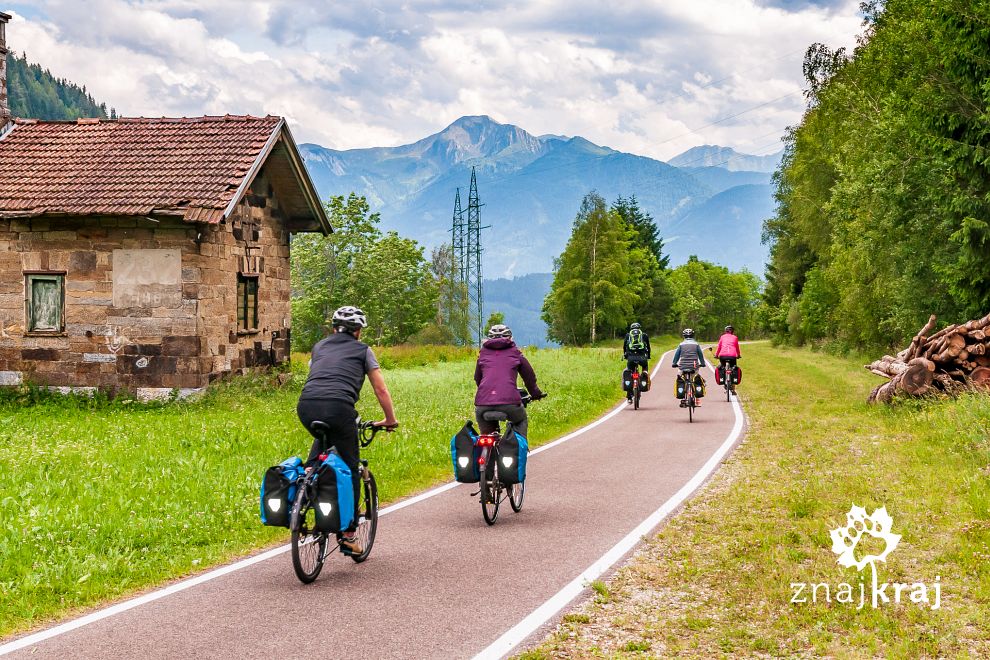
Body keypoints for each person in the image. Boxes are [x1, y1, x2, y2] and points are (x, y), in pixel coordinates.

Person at [296, 305, 398, 556]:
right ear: (358, 331)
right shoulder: (363, 351)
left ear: (333, 328)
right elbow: (381, 389)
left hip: (306, 406)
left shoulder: (319, 347)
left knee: (317, 455)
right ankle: (349, 534)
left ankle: (302, 494)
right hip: (339, 409)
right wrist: (389, 419)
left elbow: (318, 375)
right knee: (352, 467)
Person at [474, 324, 545, 438]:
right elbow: (529, 377)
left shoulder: (482, 354)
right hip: (510, 403)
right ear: (510, 338)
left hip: (483, 404)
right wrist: (535, 394)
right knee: (520, 420)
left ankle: (485, 452)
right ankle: (518, 449)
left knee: (487, 436)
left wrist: (487, 393)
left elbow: (478, 379)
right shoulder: (515, 353)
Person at [671, 328, 706, 407]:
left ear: (684, 336)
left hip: (682, 365)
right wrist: (702, 364)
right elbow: (700, 355)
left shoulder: (681, 344)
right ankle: (697, 400)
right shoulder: (696, 344)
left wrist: (674, 363)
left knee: (680, 378)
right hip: (694, 366)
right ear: (693, 335)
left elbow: (676, 355)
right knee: (696, 378)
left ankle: (682, 397)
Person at [623, 322, 652, 401]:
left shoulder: (628, 335)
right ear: (640, 328)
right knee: (645, 366)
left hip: (631, 358)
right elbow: (648, 347)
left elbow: (624, 347)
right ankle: (644, 374)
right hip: (642, 357)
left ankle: (629, 397)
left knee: (629, 373)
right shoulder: (644, 335)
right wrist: (648, 356)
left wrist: (625, 355)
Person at [714, 325, 741, 393]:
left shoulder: (722, 337)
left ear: (725, 331)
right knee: (734, 369)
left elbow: (719, 347)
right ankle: (733, 390)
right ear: (733, 331)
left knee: (722, 367)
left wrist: (716, 355)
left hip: (723, 356)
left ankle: (724, 381)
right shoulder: (735, 337)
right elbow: (737, 348)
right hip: (732, 356)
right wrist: (738, 355)